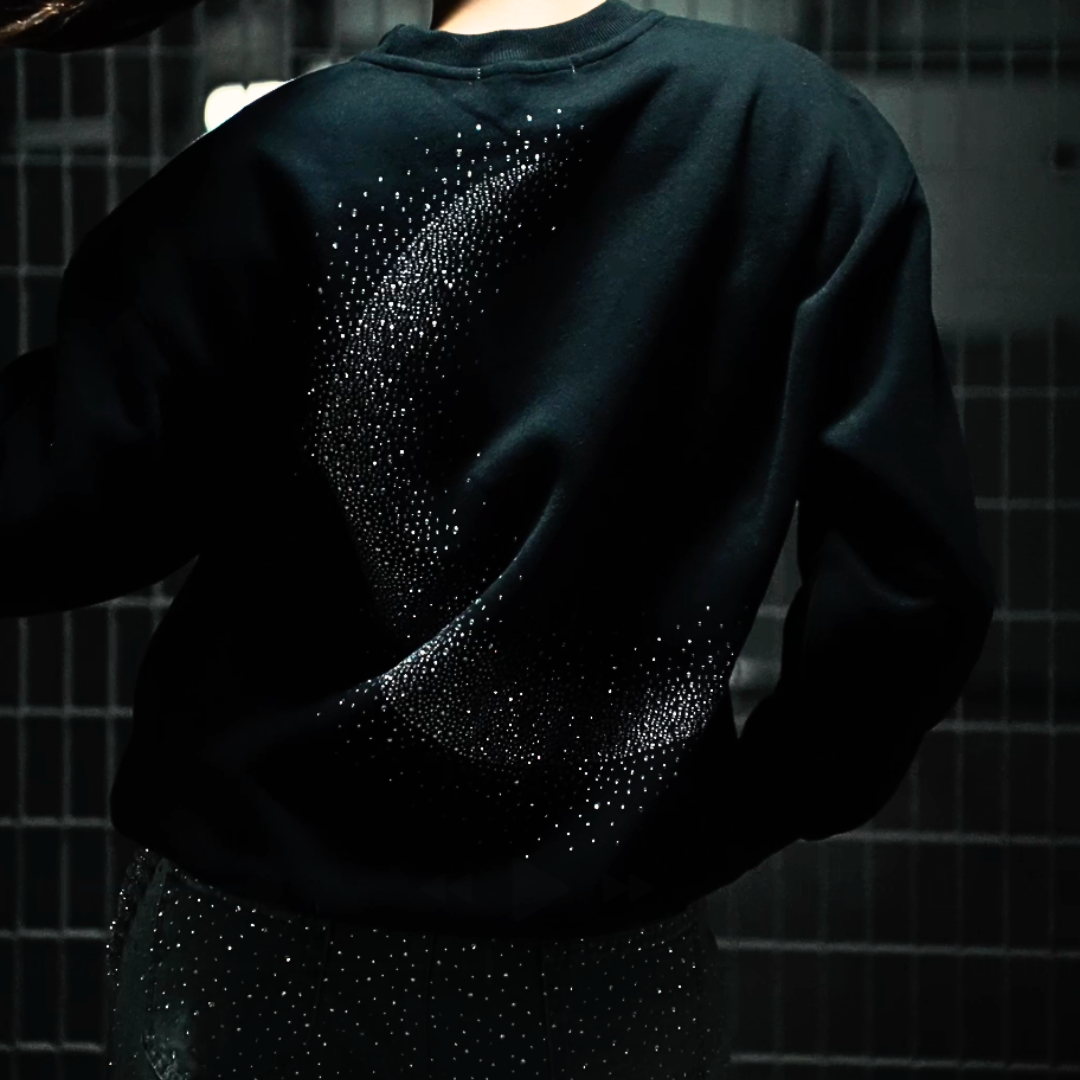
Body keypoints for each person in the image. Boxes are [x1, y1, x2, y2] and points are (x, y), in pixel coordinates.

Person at [0, 0, 997, 1077]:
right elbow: (913, 589)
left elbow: (54, 509)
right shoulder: (797, 136)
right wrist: (756, 807)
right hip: (606, 942)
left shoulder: (281, 158)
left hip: (256, 923)